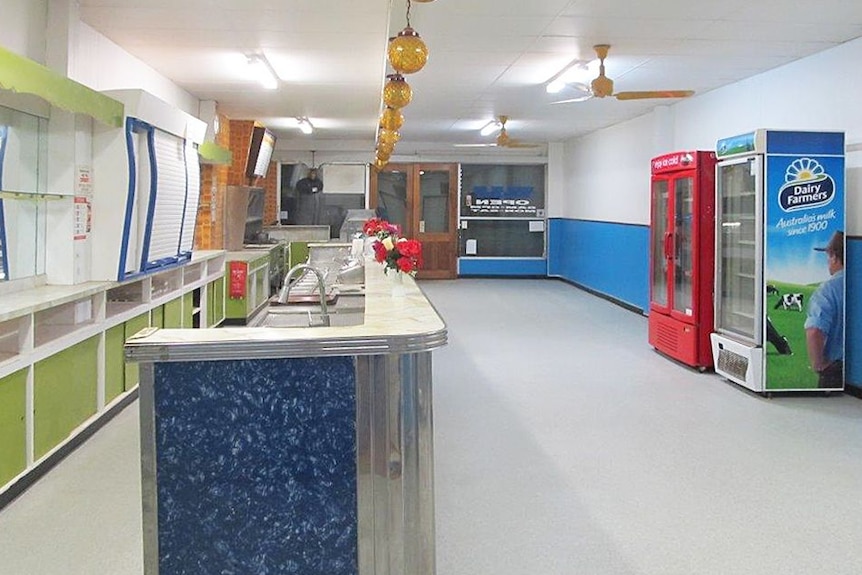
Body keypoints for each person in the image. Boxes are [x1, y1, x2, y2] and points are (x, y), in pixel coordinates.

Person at [805, 230, 845, 388]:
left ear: (834, 256)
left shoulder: (827, 290)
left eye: (828, 257)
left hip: (835, 371)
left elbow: (814, 330)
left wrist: (818, 364)